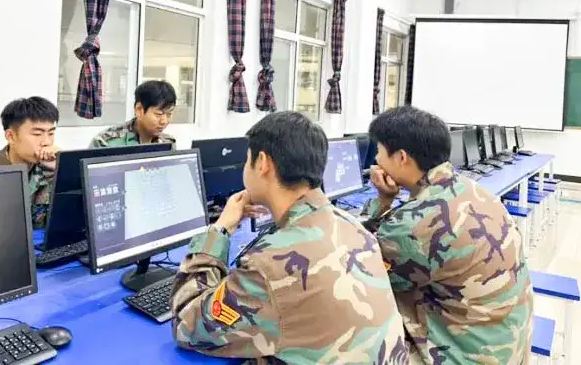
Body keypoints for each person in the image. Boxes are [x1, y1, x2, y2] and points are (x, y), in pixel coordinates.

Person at [171, 111, 408, 363]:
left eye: (247, 159)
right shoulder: (354, 226)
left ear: (263, 163)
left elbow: (188, 325)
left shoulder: (269, 266)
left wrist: (219, 231)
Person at [360, 106, 533, 364]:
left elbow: (362, 265)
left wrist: (382, 200)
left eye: (379, 151)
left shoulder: (414, 225)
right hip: (507, 343)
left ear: (402, 157)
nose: (376, 159)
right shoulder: (471, 189)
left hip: (467, 355)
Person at [0, 96, 60, 229]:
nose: (46, 142)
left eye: (51, 133)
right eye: (37, 134)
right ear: (11, 136)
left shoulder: (51, 168)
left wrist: (58, 171)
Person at [89, 80, 176, 148]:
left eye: (169, 114)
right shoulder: (105, 142)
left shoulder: (168, 143)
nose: (164, 121)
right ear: (139, 109)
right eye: (158, 114)